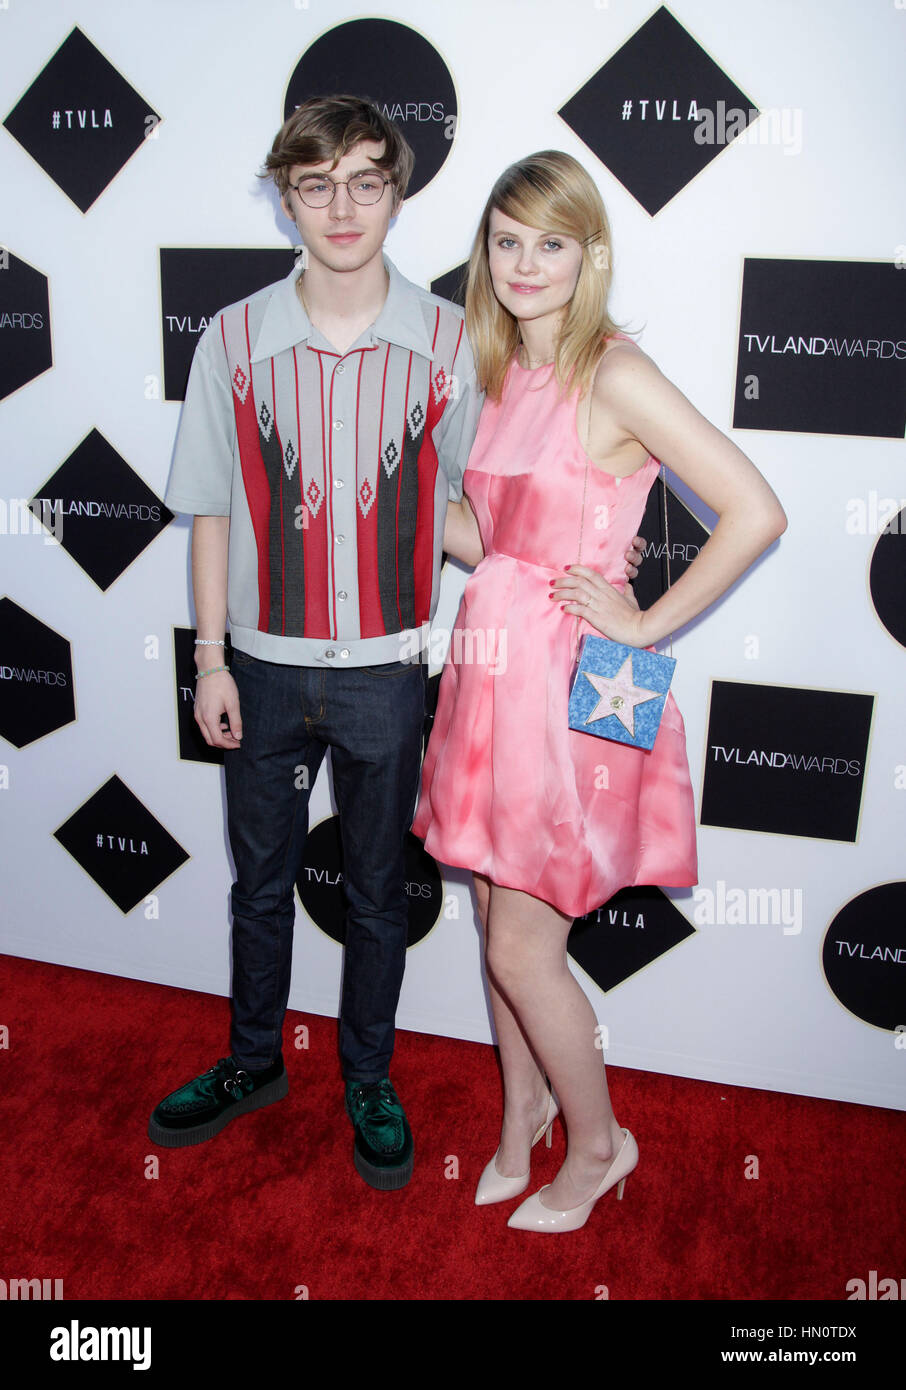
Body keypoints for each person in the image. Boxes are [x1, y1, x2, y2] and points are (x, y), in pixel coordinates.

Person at [411, 150, 787, 1230]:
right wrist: (395, 494)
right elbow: (492, 538)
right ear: (485, 253)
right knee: (493, 912)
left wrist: (645, 621)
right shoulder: (495, 368)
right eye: (507, 240)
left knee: (521, 945)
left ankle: (599, 1147)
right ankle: (523, 1109)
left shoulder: (614, 373)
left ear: (591, 257)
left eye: (552, 242)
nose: (526, 263)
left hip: (572, 682)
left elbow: (756, 510)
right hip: (491, 661)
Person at [147, 95, 489, 1190]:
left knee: (379, 892)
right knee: (258, 885)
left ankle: (369, 1079)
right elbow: (211, 509)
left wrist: (561, 548)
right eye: (316, 185)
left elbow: (473, 509)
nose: (342, 208)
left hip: (388, 671)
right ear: (286, 199)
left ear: (397, 193)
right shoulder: (232, 338)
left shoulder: (449, 341)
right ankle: (253, 1062)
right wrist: (208, 660)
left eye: (365, 182)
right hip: (258, 666)